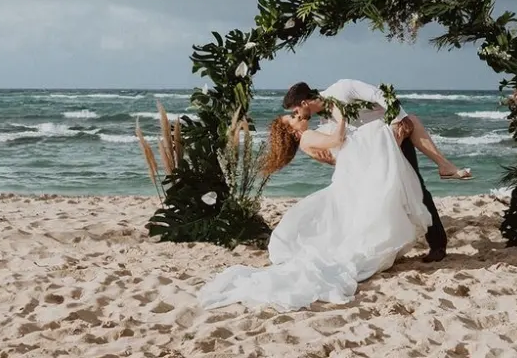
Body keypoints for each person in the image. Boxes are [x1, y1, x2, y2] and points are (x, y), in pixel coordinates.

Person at [198, 110, 432, 311]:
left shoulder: (309, 139)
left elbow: (337, 156)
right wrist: (341, 114)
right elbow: (338, 139)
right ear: (291, 131)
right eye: (292, 117)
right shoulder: (307, 136)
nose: (298, 116)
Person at [283, 79, 471, 263]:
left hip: (395, 138)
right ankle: (388, 247)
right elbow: (348, 143)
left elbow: (378, 95)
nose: (298, 115)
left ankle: (437, 245)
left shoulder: (342, 89)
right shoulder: (326, 120)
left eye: (296, 111)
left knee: (416, 187)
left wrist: (401, 118)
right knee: (383, 197)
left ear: (304, 103)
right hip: (374, 154)